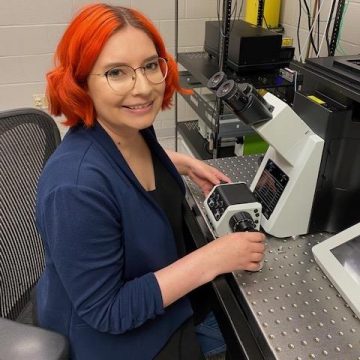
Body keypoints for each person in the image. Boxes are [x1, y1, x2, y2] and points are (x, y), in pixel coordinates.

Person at [35, 3, 266, 360]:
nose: (142, 87)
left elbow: (121, 171)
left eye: (149, 65)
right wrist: (214, 258)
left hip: (164, 303)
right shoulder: (74, 188)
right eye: (116, 72)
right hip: (116, 342)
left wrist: (181, 163)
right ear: (81, 82)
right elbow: (108, 312)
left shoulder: (129, 131)